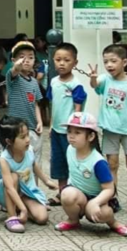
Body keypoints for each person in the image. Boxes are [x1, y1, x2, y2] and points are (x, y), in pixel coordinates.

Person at [90, 44, 127, 210]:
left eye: (113, 61)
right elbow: (95, 85)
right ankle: (112, 197)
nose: (109, 65)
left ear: (124, 62)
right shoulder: (105, 80)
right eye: (106, 62)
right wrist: (93, 78)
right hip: (110, 130)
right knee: (112, 164)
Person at [55, 112, 127, 236]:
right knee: (66, 194)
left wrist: (96, 202)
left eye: (77, 132)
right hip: (78, 194)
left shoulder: (98, 161)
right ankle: (73, 221)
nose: (71, 136)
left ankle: (113, 223)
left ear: (91, 136)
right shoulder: (70, 149)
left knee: (104, 214)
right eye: (69, 131)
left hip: (97, 198)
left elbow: (109, 189)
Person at [0, 116, 56, 234]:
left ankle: (20, 207)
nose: (28, 140)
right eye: (23, 137)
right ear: (9, 141)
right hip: (7, 192)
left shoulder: (29, 150)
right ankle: (12, 216)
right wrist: (24, 209)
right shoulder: (4, 159)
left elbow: (33, 165)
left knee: (42, 218)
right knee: (14, 177)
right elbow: (9, 187)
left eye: (28, 135)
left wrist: (46, 181)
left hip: (27, 191)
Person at [47, 43, 87, 204]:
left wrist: (74, 130)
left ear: (75, 63)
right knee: (58, 162)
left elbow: (78, 109)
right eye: (58, 60)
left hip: (69, 132)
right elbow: (53, 105)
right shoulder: (53, 82)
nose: (62, 63)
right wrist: (51, 126)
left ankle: (75, 192)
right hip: (57, 130)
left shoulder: (76, 85)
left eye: (66, 60)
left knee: (72, 161)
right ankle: (62, 193)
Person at [6, 41, 45, 160]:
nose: (26, 60)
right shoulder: (13, 77)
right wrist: (16, 67)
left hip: (32, 127)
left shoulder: (34, 82)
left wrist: (40, 122)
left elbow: (36, 104)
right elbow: (14, 71)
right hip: (16, 127)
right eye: (22, 57)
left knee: (35, 159)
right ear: (13, 60)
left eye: (30, 57)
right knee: (17, 159)